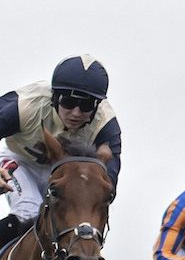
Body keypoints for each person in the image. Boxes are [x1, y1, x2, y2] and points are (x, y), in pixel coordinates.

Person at [0, 55, 122, 249]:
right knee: (28, 210)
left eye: (86, 105)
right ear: (54, 96)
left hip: (64, 173)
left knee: (74, 226)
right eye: (68, 102)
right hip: (20, 160)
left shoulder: (105, 125)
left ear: (97, 106)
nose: (75, 113)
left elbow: (108, 185)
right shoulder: (27, 104)